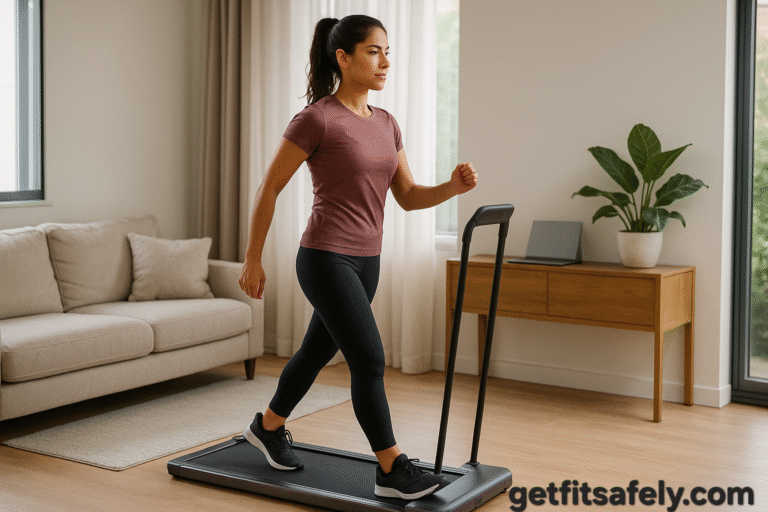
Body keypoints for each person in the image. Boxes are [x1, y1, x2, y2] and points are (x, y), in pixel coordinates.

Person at [238, 14, 478, 500]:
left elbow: (408, 196)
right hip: (325, 257)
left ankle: (267, 427)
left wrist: (452, 188)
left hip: (368, 260)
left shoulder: (387, 123)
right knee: (369, 359)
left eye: (387, 51)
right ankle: (390, 470)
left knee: (315, 352)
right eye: (373, 51)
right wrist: (252, 258)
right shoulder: (317, 118)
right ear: (342, 58)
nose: (385, 61)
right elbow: (269, 188)